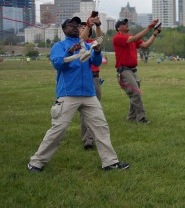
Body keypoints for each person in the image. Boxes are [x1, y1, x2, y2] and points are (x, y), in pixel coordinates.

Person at [27, 16, 129, 172]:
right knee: (58, 130)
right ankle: (36, 162)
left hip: (89, 94)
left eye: (77, 25)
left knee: (101, 127)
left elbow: (95, 62)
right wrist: (69, 51)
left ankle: (110, 162)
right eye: (71, 25)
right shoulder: (59, 46)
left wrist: (96, 51)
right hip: (68, 94)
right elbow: (57, 64)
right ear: (64, 29)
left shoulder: (85, 45)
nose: (75, 27)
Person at [112, 18, 161, 124]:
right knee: (136, 93)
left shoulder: (131, 38)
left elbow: (146, 45)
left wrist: (155, 33)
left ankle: (131, 117)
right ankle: (141, 118)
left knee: (134, 94)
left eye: (126, 23)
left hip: (133, 70)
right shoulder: (118, 38)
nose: (126, 25)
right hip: (124, 70)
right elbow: (134, 38)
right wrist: (149, 27)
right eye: (123, 24)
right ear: (118, 28)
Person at [79, 16, 104, 150]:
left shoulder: (92, 43)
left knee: (94, 108)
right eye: (81, 27)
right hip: (82, 78)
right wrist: (89, 25)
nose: (82, 29)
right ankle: (87, 138)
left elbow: (100, 40)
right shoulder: (77, 44)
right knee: (84, 110)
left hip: (94, 78)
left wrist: (98, 25)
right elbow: (80, 40)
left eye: (84, 27)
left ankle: (90, 137)